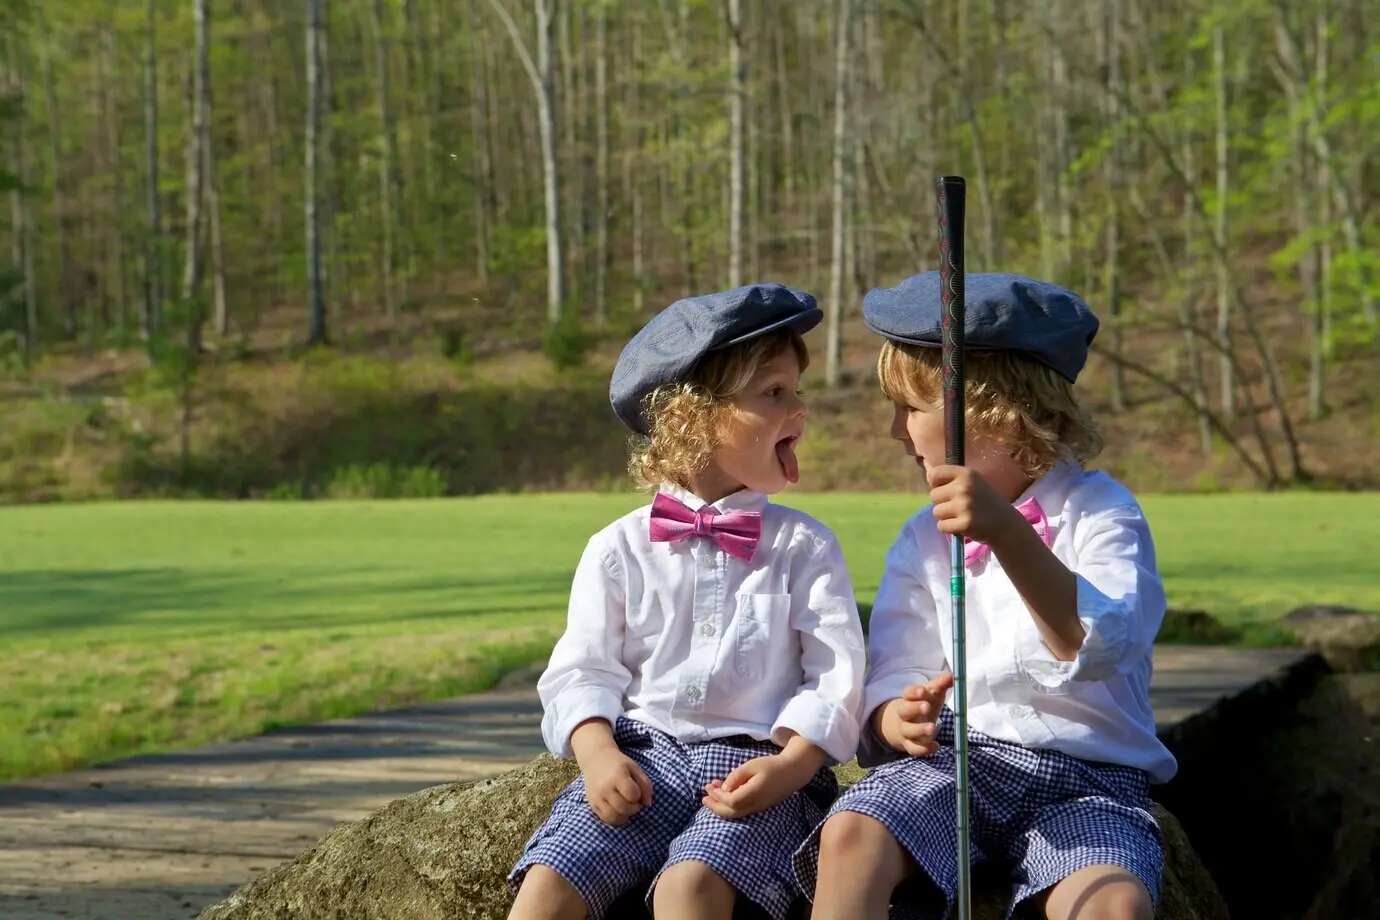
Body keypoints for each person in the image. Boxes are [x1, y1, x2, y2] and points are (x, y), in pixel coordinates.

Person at [794, 272, 1177, 920]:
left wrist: (1004, 531)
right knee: (852, 832)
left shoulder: (1102, 513)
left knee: (1113, 905)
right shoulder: (921, 539)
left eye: (909, 408)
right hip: (954, 765)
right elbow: (896, 665)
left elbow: (1102, 642)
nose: (893, 431)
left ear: (995, 406)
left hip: (1089, 781)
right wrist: (896, 715)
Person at [506, 283, 867, 920]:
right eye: (774, 394)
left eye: (797, 392)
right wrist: (597, 755)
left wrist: (792, 766)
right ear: (692, 418)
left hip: (759, 772)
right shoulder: (617, 548)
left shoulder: (804, 546)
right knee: (551, 881)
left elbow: (835, 676)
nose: (800, 412)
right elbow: (582, 668)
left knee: (689, 887)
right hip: (642, 759)